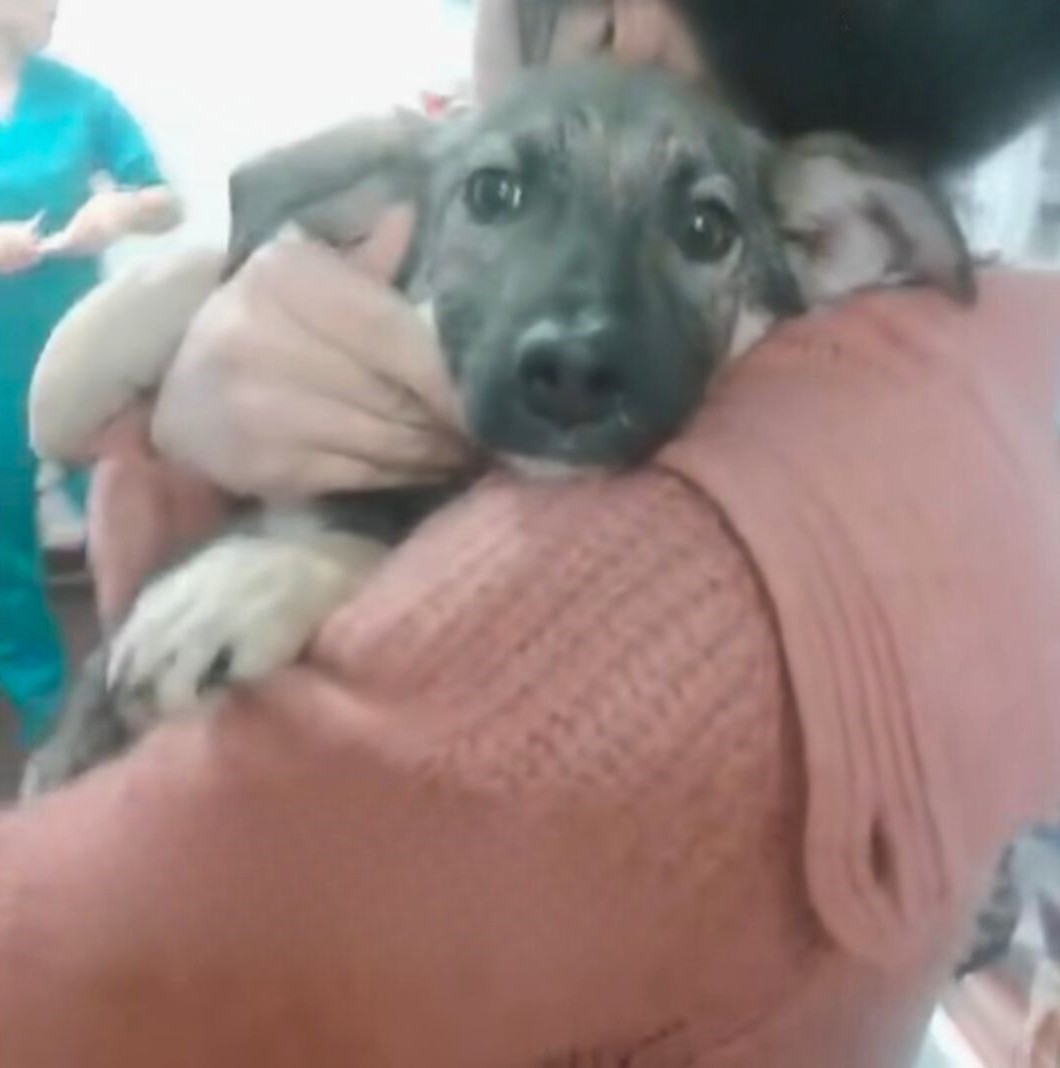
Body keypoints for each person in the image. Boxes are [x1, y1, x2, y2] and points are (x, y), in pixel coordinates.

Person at [2, 2, 1060, 1065]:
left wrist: (225, 506)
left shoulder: (622, 608)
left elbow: (69, 970)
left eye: (697, 231)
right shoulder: (981, 374)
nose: (577, 340)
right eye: (502, 197)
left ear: (603, 21)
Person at [0, 0, 180, 746]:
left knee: (128, 511)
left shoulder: (80, 98)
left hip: (77, 356)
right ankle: (45, 710)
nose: (53, 8)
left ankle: (156, 681)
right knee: (6, 547)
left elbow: (166, 201)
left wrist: (123, 215)